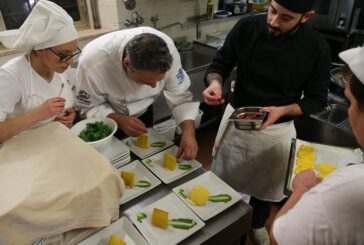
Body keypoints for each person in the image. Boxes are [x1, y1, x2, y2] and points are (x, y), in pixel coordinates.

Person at [202, 0, 331, 243]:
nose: (273, 21)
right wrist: (215, 83)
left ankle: (258, 223)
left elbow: (317, 100)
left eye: (286, 18)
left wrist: (282, 110)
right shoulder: (247, 26)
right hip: (237, 119)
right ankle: (219, 219)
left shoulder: (317, 47)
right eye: (272, 11)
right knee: (223, 178)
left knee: (265, 186)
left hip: (277, 128)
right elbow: (220, 63)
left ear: (306, 16)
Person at [271, 46, 364, 244]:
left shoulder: (352, 186)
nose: (349, 111)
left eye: (351, 102)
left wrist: (302, 188)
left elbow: (280, 238)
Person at [75, 27, 199, 160]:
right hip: (108, 121)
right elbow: (88, 107)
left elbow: (180, 96)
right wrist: (120, 120)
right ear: (127, 64)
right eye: (145, 82)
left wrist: (189, 132)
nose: (153, 86)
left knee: (144, 158)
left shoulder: (168, 50)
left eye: (159, 80)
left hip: (144, 113)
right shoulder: (92, 62)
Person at [0, 0, 80, 144]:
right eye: (64, 54)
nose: (70, 61)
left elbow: (65, 103)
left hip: (59, 141)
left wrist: (70, 114)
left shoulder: (60, 67)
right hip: (26, 151)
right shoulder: (10, 76)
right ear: (40, 50)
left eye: (73, 53)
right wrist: (37, 114)